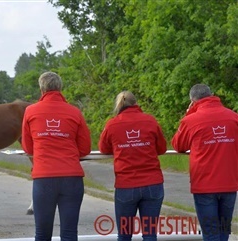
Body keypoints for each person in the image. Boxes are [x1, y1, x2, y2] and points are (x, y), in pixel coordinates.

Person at [21, 71, 91, 241]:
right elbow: (85, 148)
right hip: (71, 178)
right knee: (69, 233)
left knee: (42, 234)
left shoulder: (30, 112)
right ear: (60, 88)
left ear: (41, 89)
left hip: (44, 178)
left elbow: (28, 147)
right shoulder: (74, 112)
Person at [172, 84, 238, 241]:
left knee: (210, 233)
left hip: (204, 184)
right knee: (223, 231)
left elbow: (178, 145)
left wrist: (189, 113)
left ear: (192, 101)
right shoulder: (233, 117)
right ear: (212, 95)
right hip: (229, 182)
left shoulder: (190, 120)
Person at [98, 90, 167, 241]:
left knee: (124, 235)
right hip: (152, 183)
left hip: (126, 185)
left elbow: (103, 148)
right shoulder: (150, 121)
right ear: (136, 103)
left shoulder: (112, 124)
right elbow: (161, 148)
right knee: (150, 234)